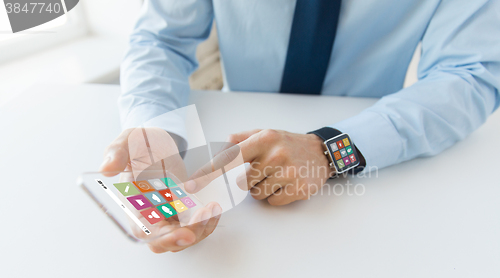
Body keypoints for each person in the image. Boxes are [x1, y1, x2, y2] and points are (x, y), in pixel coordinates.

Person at [100, 0, 500, 253]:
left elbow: (470, 74)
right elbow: (162, 39)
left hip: (374, 183)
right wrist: (155, 126)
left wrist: (329, 150)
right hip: (232, 144)